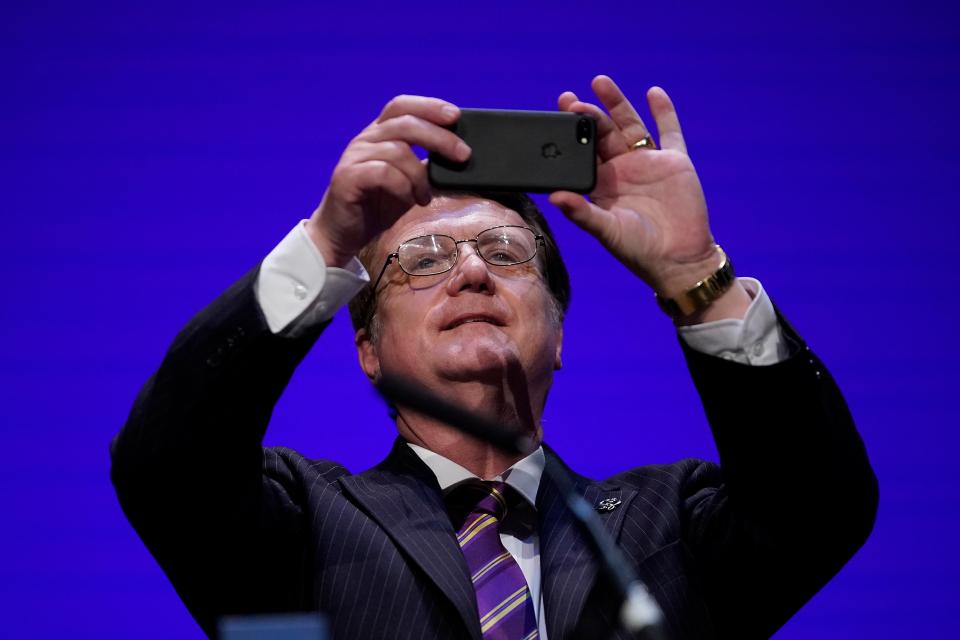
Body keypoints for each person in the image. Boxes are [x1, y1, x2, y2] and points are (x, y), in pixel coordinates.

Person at [111, 76, 878, 640]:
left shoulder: (672, 522)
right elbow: (167, 466)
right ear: (367, 349)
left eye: (505, 252)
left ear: (560, 333)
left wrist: (693, 276)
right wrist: (324, 244)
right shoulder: (299, 522)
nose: (472, 271)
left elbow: (819, 508)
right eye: (423, 258)